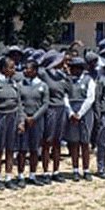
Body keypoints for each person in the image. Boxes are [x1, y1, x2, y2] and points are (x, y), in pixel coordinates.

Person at [0, 58, 24, 190]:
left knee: (10, 149)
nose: (14, 70)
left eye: (14, 67)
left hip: (12, 117)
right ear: (3, 69)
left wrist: (21, 121)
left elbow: (19, 103)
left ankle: (8, 177)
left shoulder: (14, 83)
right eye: (11, 67)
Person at [39, 51, 70, 182]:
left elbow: (69, 89)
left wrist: (67, 75)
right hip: (50, 109)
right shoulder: (44, 74)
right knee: (47, 141)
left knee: (58, 142)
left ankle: (56, 171)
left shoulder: (61, 75)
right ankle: (46, 171)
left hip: (61, 108)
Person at [17, 61, 48, 187]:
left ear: (35, 71)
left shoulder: (43, 85)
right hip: (24, 120)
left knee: (34, 149)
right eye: (24, 68)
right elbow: (18, 102)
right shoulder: (20, 85)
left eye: (28, 68)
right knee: (22, 149)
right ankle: (20, 175)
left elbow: (45, 104)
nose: (25, 71)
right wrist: (25, 117)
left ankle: (32, 175)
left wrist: (34, 118)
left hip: (37, 121)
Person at [64, 56, 96, 181]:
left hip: (85, 112)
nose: (72, 70)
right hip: (72, 112)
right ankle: (75, 169)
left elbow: (90, 98)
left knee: (85, 142)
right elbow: (65, 97)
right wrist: (71, 113)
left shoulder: (89, 80)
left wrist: (80, 113)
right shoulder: (68, 81)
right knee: (74, 143)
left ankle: (86, 170)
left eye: (75, 68)